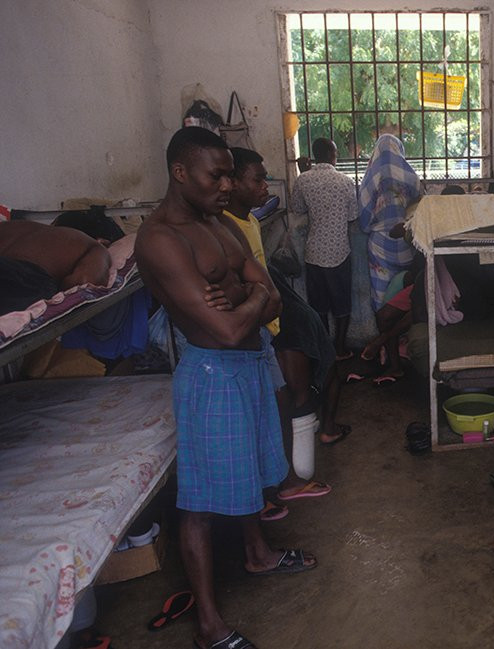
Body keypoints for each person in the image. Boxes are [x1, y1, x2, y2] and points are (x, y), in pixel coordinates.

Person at [135, 127, 315, 649]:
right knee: (199, 502)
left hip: (253, 363)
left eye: (230, 174)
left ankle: (257, 555)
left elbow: (272, 295)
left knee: (258, 471)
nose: (226, 184)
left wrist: (243, 293)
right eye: (216, 174)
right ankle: (209, 626)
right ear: (180, 172)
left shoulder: (221, 223)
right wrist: (251, 296)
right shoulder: (161, 239)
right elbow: (226, 329)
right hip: (212, 373)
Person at [225, 147, 346, 495]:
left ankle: (284, 479)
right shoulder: (225, 228)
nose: (266, 186)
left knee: (285, 396)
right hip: (259, 328)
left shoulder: (247, 220)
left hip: (274, 316)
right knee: (282, 400)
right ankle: (278, 482)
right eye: (258, 179)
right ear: (232, 183)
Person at [292, 138, 358, 359]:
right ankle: (340, 349)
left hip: (314, 252)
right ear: (332, 154)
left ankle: (324, 350)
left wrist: (304, 172)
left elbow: (297, 208)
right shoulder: (345, 181)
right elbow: (352, 216)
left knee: (318, 305)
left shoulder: (303, 180)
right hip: (339, 251)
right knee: (342, 304)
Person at [358, 134, 423, 311]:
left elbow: (363, 219)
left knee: (381, 292)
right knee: (407, 290)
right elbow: (420, 209)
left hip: (380, 247)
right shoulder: (411, 178)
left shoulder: (371, 178)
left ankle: (384, 327)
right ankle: (404, 332)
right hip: (406, 243)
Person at [0, 220, 112, 312]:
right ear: (103, 240)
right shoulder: (96, 246)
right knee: (46, 288)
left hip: (7, 267)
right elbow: (84, 281)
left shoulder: (17, 224)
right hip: (28, 277)